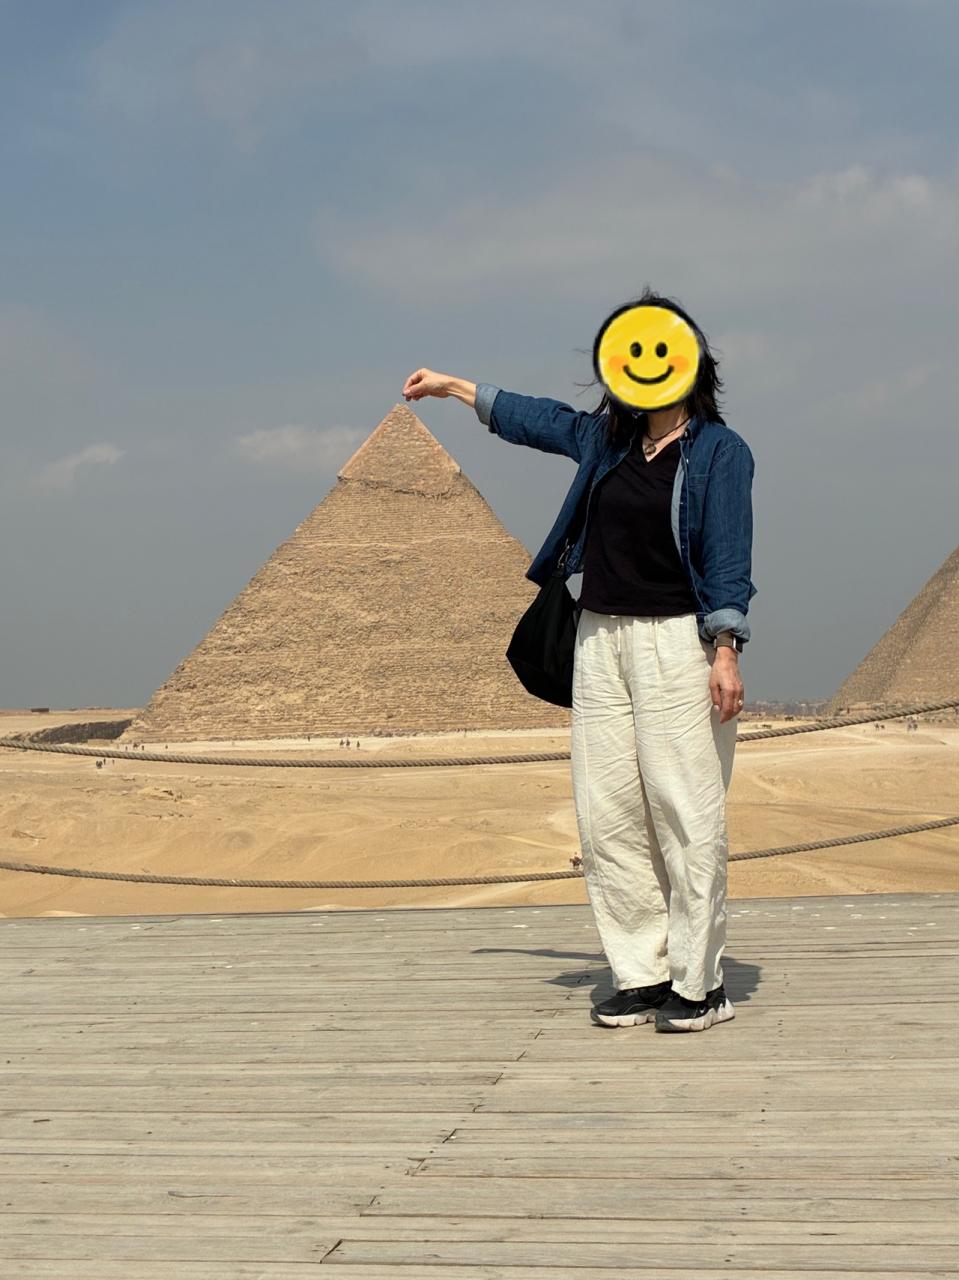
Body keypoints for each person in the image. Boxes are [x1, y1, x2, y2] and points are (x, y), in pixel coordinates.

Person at [402, 288, 757, 1034]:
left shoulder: (720, 453)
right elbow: (539, 420)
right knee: (608, 814)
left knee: (685, 811)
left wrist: (725, 651)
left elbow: (728, 558)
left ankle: (699, 983)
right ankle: (641, 973)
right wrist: (453, 387)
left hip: (676, 644)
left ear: (692, 361)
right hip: (599, 640)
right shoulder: (606, 441)